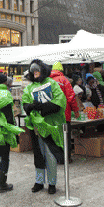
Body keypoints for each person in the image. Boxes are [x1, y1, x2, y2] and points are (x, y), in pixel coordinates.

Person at [22, 59, 67, 195]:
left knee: (50, 155)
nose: (35, 73)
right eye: (33, 71)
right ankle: (39, 181)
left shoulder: (52, 83)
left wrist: (42, 108)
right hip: (36, 128)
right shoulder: (29, 88)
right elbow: (25, 103)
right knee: (38, 155)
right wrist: (30, 107)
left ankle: (52, 182)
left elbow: (59, 101)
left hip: (50, 127)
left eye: (37, 71)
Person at [50, 61, 79, 161]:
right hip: (64, 113)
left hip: (51, 114)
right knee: (65, 136)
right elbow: (71, 97)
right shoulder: (64, 80)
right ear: (61, 70)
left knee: (55, 136)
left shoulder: (47, 81)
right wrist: (76, 110)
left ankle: (56, 158)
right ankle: (66, 158)